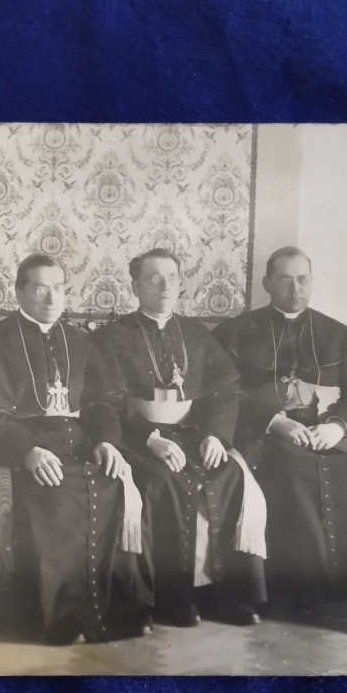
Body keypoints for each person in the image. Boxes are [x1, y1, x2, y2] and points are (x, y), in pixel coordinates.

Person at [214, 247, 347, 639]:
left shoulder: (334, 334)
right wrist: (275, 422)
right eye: (285, 279)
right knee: (289, 470)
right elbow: (226, 394)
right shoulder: (236, 333)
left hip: (329, 436)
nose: (295, 288)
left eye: (302, 279)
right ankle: (303, 592)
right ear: (267, 283)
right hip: (268, 436)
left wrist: (338, 427)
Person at [0, 253, 153, 644]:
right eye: (40, 289)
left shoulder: (82, 342)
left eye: (59, 288)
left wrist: (107, 442)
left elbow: (103, 403)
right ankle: (60, 617)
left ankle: (112, 609)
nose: (52, 298)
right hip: (26, 449)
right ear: (19, 292)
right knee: (57, 496)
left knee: (116, 482)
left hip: (81, 445)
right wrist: (27, 450)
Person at [95, 248, 267, 628]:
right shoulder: (112, 336)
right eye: (154, 278)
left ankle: (224, 596)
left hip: (192, 434)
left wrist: (217, 436)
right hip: (137, 437)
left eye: (171, 277)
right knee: (164, 480)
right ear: (135, 286)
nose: (164, 286)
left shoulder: (197, 335)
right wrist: (149, 438)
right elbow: (106, 402)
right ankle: (173, 599)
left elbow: (226, 394)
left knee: (228, 475)